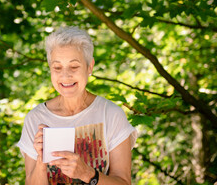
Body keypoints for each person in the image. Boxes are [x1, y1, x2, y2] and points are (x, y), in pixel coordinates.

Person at [17, 26, 137, 185]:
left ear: (90, 67)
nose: (65, 75)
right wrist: (41, 159)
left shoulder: (111, 114)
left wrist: (87, 173)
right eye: (57, 67)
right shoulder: (35, 119)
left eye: (74, 66)